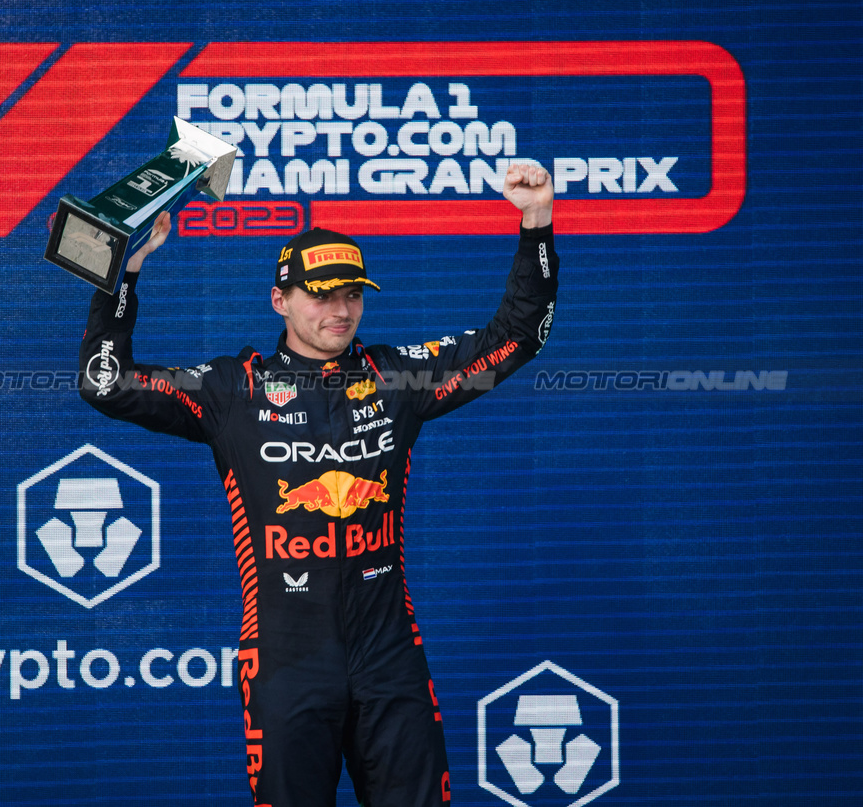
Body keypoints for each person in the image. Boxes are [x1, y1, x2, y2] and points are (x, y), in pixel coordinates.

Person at [79, 164, 557, 806]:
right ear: (281, 300)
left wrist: (536, 223)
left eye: (352, 294)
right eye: (321, 295)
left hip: (388, 653)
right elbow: (105, 383)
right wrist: (123, 276)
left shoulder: (398, 377)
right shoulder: (231, 389)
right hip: (284, 658)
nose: (340, 310)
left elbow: (519, 337)